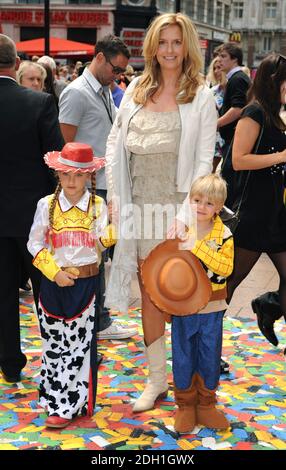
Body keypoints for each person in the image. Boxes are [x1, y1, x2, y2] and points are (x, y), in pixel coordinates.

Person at [105, 12, 217, 412]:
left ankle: (190, 385)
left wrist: (187, 216)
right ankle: (156, 382)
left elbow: (205, 161)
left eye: (176, 42)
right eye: (162, 42)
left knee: (181, 296)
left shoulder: (201, 96)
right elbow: (114, 144)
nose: (169, 50)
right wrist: (116, 199)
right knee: (150, 297)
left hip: (179, 211)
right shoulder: (136, 88)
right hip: (139, 208)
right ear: (152, 47)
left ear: (187, 47)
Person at [27, 142, 115, 429]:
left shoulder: (97, 206)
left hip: (86, 285)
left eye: (78, 175)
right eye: (66, 175)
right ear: (58, 175)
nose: (72, 181)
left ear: (89, 176)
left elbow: (100, 242)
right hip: (54, 283)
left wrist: (116, 226)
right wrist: (54, 273)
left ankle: (69, 405)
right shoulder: (47, 205)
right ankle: (54, 399)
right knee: (53, 344)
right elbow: (35, 243)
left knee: (78, 346)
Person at [59, 35, 137, 341]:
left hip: (105, 183)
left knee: (98, 255)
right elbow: (66, 145)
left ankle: (97, 318)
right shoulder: (77, 93)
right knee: (93, 255)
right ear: (100, 58)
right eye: (116, 68)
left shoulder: (104, 90)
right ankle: (98, 321)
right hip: (89, 186)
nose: (118, 75)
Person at [0, 34, 64, 383]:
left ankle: (9, 363)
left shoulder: (39, 102)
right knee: (45, 291)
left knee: (3, 294)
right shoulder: (39, 103)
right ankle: (55, 356)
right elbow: (57, 160)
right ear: (15, 64)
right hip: (33, 218)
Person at [226, 54, 286, 338]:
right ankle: (202, 333)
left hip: (276, 213)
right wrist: (281, 156)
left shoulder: (276, 114)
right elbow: (239, 160)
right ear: (275, 81)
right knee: (230, 282)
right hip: (252, 213)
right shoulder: (255, 113)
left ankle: (269, 307)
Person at [170, 174, 233, 433]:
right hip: (184, 307)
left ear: (219, 207)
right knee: (183, 353)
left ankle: (206, 404)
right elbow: (170, 270)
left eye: (209, 203)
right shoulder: (181, 230)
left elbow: (225, 268)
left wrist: (197, 247)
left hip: (212, 307)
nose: (201, 207)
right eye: (197, 200)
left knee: (209, 352)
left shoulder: (225, 234)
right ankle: (185, 405)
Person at [217, 43, 251, 208]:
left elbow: (238, 109)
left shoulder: (237, 79)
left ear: (235, 59)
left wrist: (215, 124)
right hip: (234, 140)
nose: (219, 60)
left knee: (228, 183)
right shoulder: (236, 78)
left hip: (236, 141)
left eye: (223, 56)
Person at [207, 57, 227, 172]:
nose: (216, 71)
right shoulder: (212, 91)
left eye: (219, 68)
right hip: (214, 135)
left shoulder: (234, 87)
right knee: (211, 170)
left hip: (229, 135)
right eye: (214, 68)